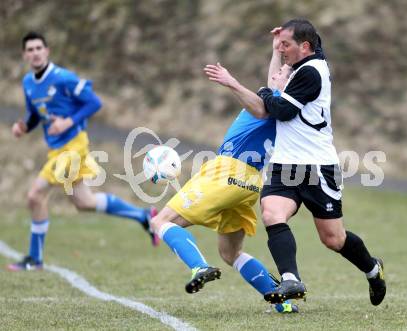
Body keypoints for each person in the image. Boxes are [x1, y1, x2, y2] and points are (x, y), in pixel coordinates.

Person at [204, 18, 386, 306]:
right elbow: (276, 84)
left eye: (286, 45)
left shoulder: (311, 73)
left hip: (317, 168)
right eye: (280, 45)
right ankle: (290, 279)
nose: (281, 49)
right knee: (272, 214)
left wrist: (265, 91)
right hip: (284, 165)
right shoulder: (305, 59)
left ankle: (373, 269)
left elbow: (281, 110)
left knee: (333, 239)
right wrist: (277, 50)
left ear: (305, 46)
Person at [150, 64, 299, 313]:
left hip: (227, 170)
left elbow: (263, 104)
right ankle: (281, 302)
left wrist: (230, 81)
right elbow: (272, 86)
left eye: (281, 72)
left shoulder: (270, 102)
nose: (274, 72)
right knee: (231, 253)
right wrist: (276, 48)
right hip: (251, 182)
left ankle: (199, 267)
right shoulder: (284, 108)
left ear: (289, 83)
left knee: (161, 222)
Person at [7, 31, 159, 271]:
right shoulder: (28, 83)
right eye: (30, 49)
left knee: (35, 195)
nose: (35, 53)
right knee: (84, 202)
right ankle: (145, 216)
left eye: (39, 48)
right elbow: (36, 114)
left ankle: (35, 259)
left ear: (47, 51)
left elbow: (94, 102)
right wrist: (23, 126)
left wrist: (67, 123)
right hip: (57, 150)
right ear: (24, 55)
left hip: (74, 147)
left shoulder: (63, 78)